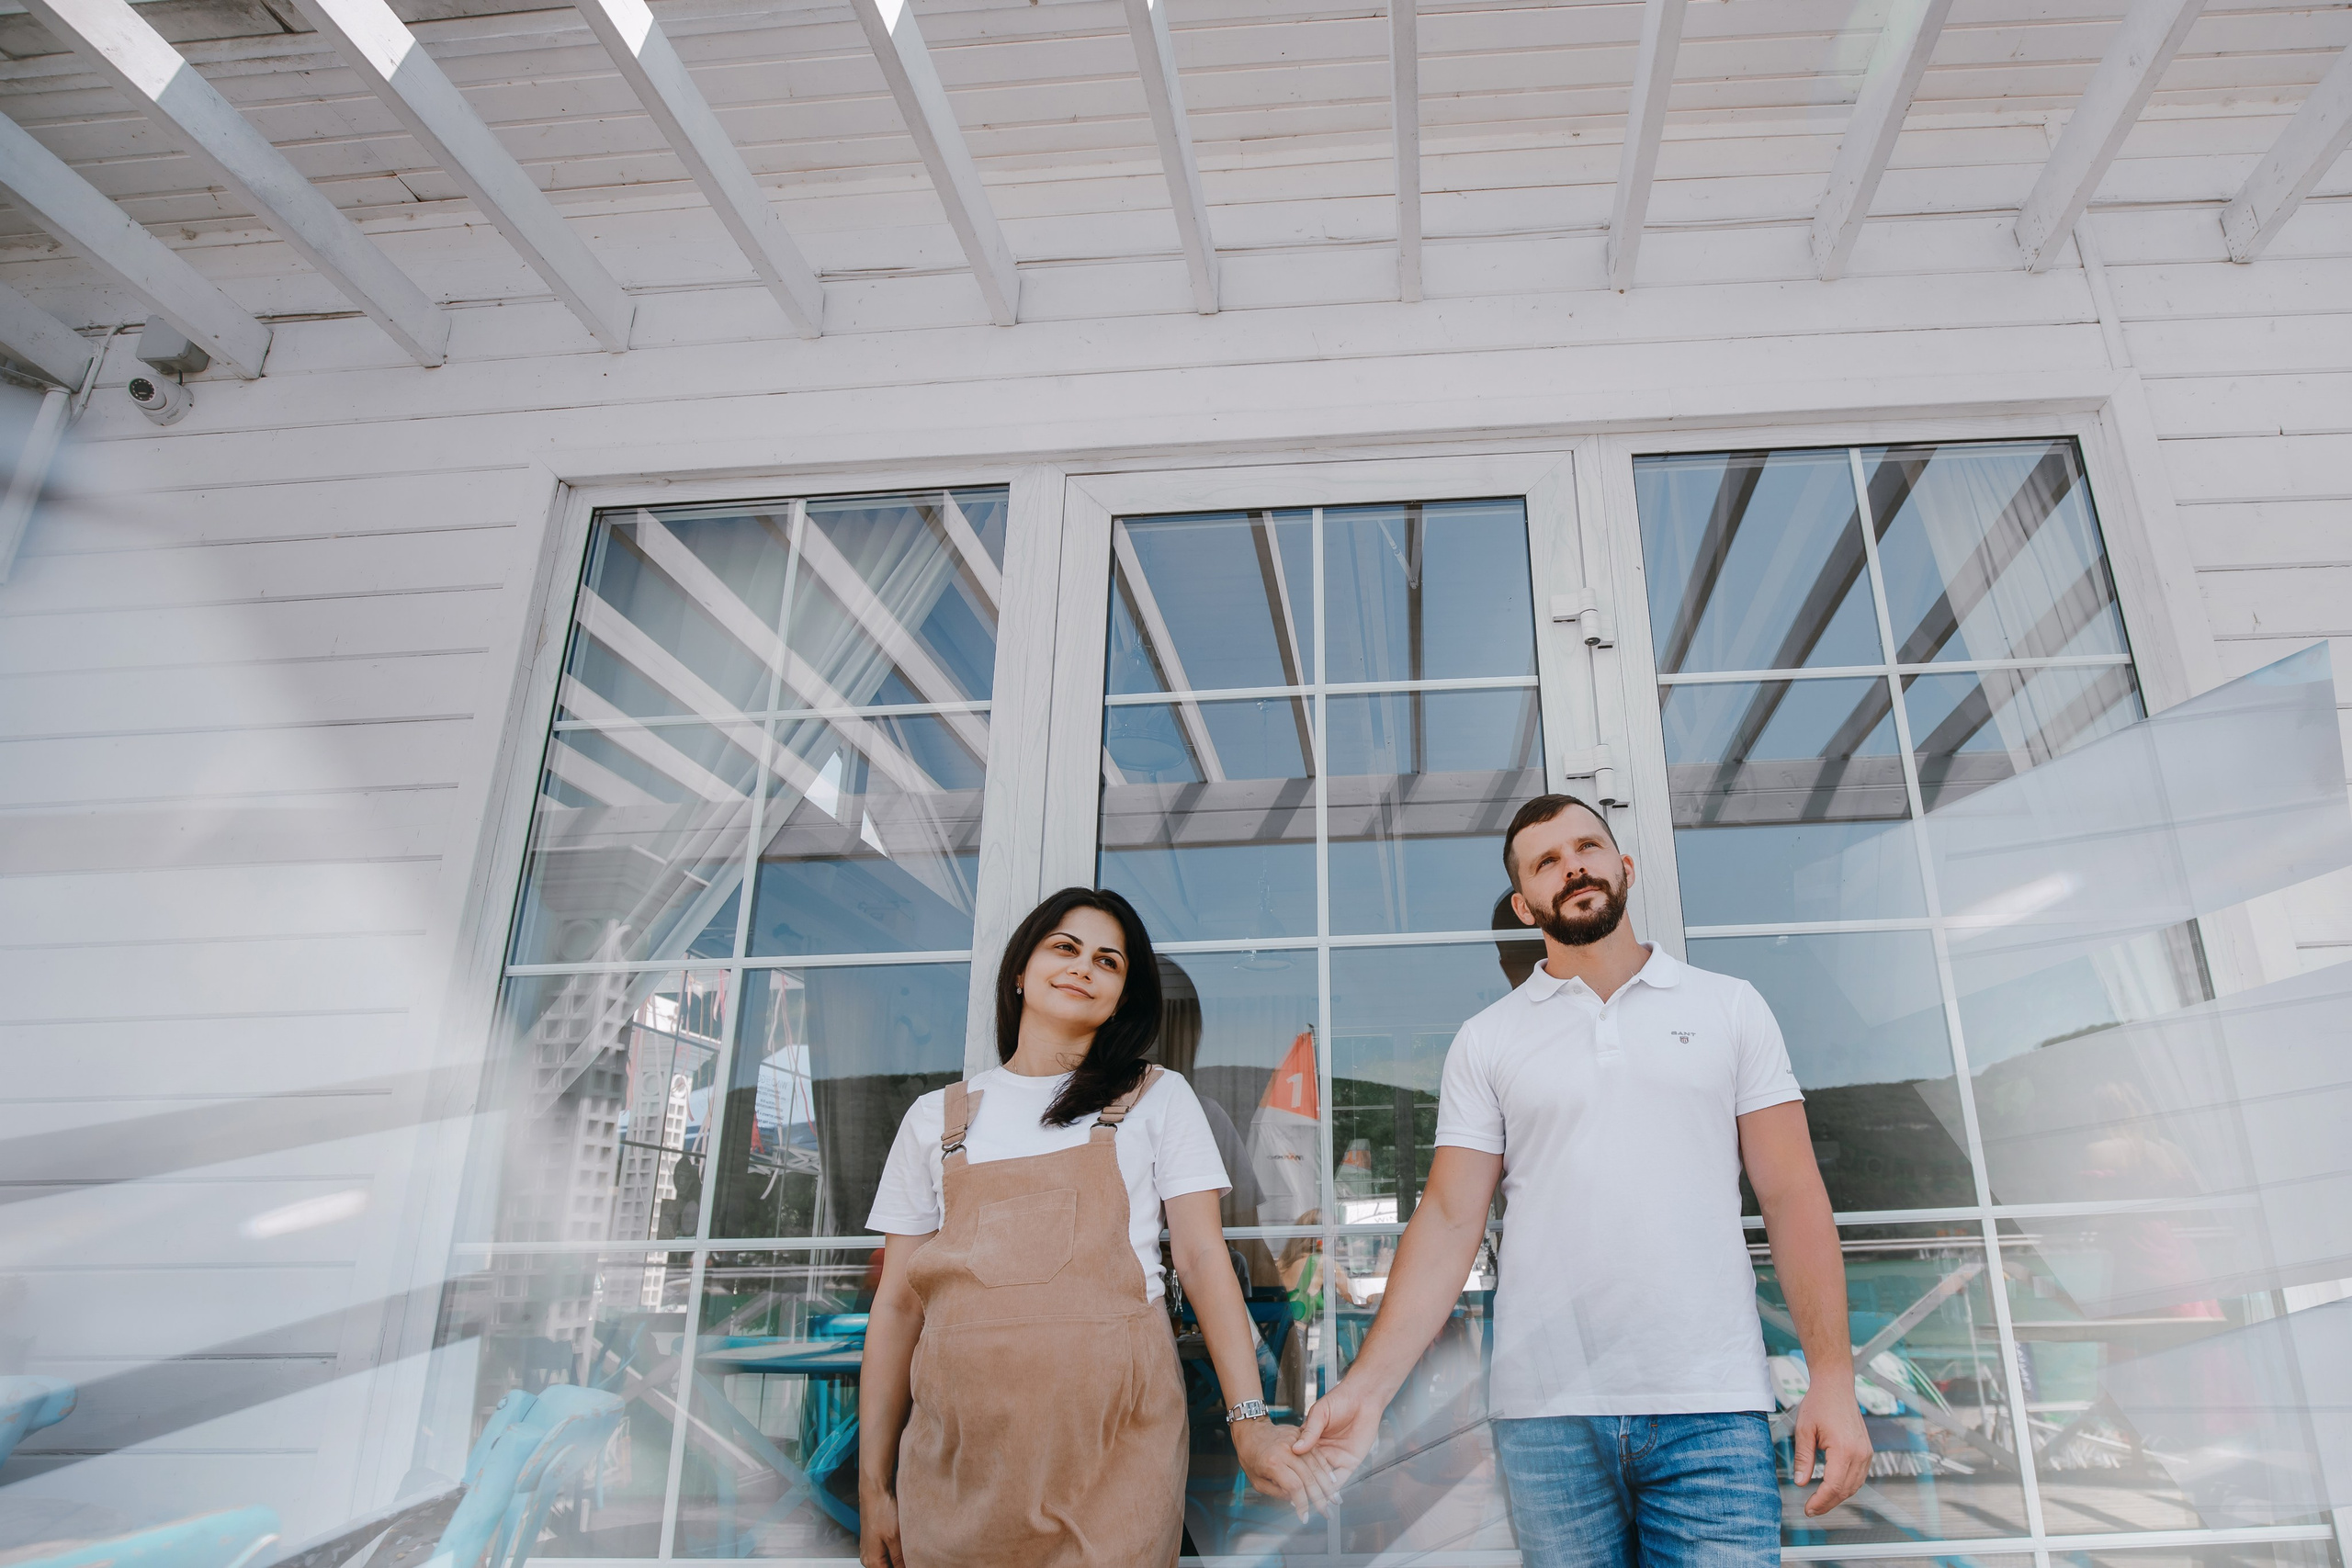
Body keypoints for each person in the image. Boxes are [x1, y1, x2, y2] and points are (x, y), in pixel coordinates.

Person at [1288, 795, 1871, 1568]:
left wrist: (1833, 1378)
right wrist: (1366, 1391)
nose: (1574, 867)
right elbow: (1453, 1218)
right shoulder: (1487, 1040)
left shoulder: (1730, 1006)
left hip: (1711, 1404)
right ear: (1526, 903)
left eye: (1587, 847)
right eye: (1548, 861)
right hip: (1545, 1415)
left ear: (1623, 867)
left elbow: (1794, 1194)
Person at [857, 887, 1308, 1568]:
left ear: (1123, 996)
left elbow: (1201, 1257)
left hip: (1117, 1458)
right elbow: (895, 1305)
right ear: (1020, 970)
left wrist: (1251, 1425)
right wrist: (874, 1486)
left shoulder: (1158, 1098)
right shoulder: (936, 1119)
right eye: (1065, 948)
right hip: (956, 1469)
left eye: (1108, 961)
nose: (1083, 967)